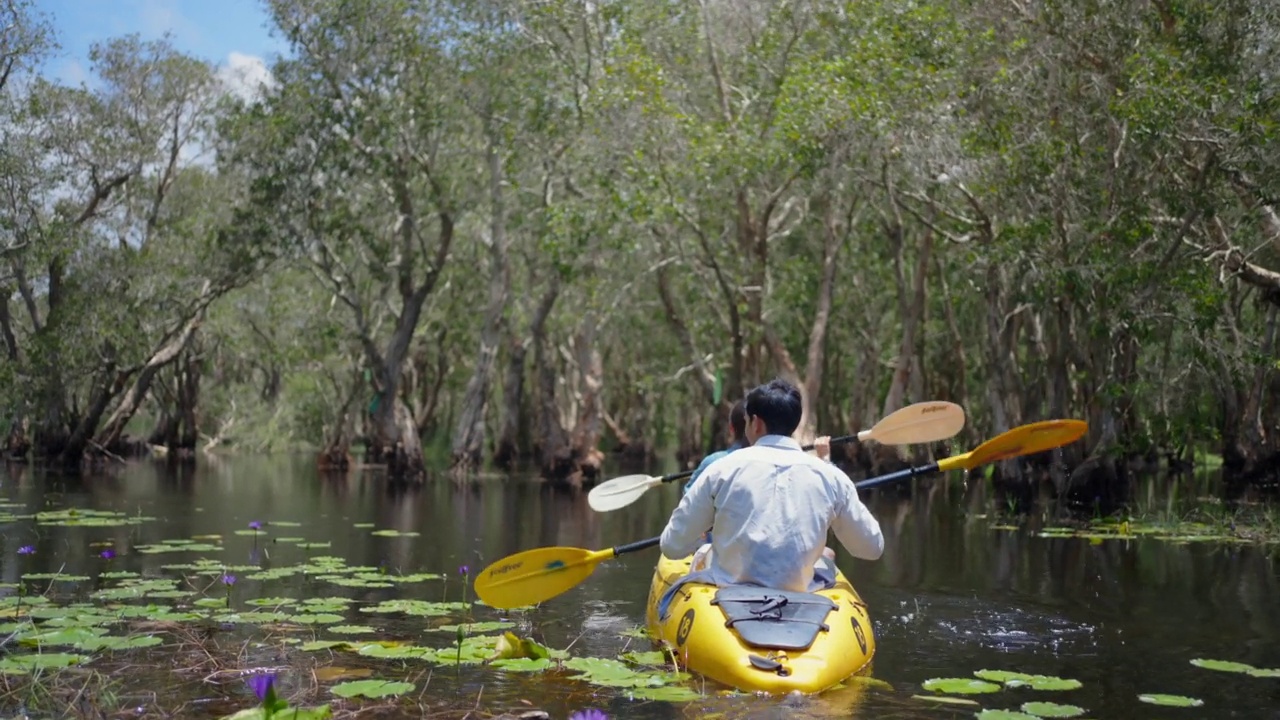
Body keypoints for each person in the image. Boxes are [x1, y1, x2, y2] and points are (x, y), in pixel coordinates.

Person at [658, 378, 884, 606]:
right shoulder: (832, 477)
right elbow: (872, 548)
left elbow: (672, 546)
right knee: (826, 558)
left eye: (746, 421)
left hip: (728, 592)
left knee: (705, 553)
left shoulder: (720, 469)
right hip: (800, 592)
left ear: (755, 423)